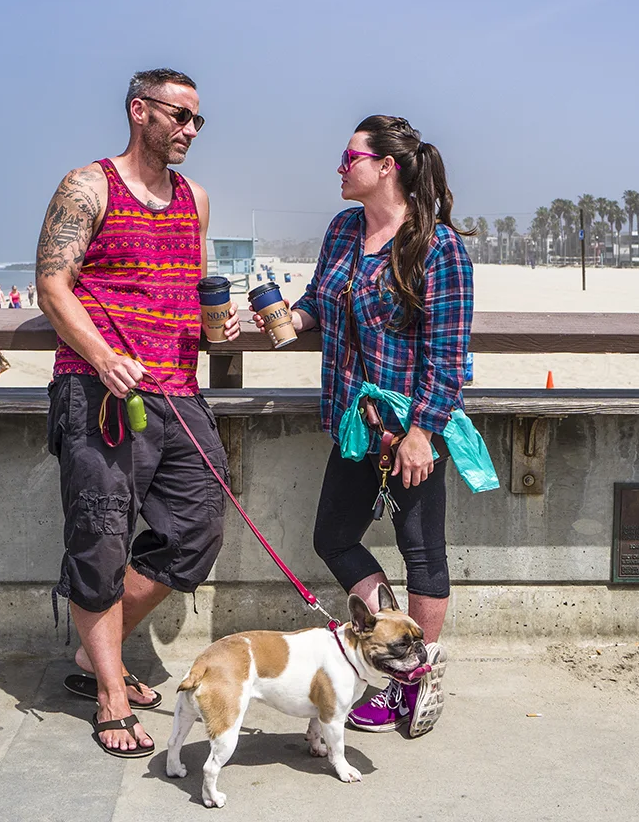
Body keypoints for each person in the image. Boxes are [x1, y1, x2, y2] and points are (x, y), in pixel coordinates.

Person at [36, 68, 240, 758]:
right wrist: (101, 357)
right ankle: (111, 694)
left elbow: (191, 289)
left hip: (178, 391)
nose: (190, 130)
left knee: (197, 529)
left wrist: (218, 329)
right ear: (139, 111)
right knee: (98, 539)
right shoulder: (88, 186)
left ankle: (99, 649)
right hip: (100, 394)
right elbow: (52, 284)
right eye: (180, 116)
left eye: (197, 120)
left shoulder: (194, 199)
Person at [264, 114, 473, 738]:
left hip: (410, 428)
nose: (340, 166)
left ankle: (412, 684)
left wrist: (422, 433)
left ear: (387, 166)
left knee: (422, 551)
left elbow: (448, 355)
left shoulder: (437, 247)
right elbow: (319, 299)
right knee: (333, 537)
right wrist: (292, 319)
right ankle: (393, 646)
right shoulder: (343, 229)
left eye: (350, 156)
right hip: (354, 426)